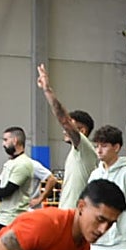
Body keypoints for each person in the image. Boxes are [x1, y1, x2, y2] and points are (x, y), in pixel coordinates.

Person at [36, 64, 98, 210]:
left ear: (82, 130)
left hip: (75, 216)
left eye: (69, 127)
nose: (64, 131)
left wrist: (47, 90)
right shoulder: (76, 152)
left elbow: (64, 119)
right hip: (67, 213)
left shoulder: (84, 147)